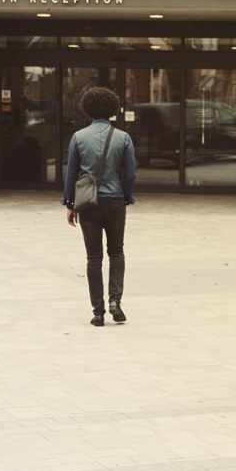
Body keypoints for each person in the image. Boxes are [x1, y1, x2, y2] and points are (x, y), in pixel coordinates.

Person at [62, 87, 136, 327]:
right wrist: (126, 196)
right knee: (116, 251)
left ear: (88, 108)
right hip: (114, 201)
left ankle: (98, 311)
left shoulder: (78, 137)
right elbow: (130, 173)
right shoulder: (123, 137)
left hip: (88, 203)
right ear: (113, 109)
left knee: (93, 256)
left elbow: (72, 173)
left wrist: (70, 203)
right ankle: (116, 300)